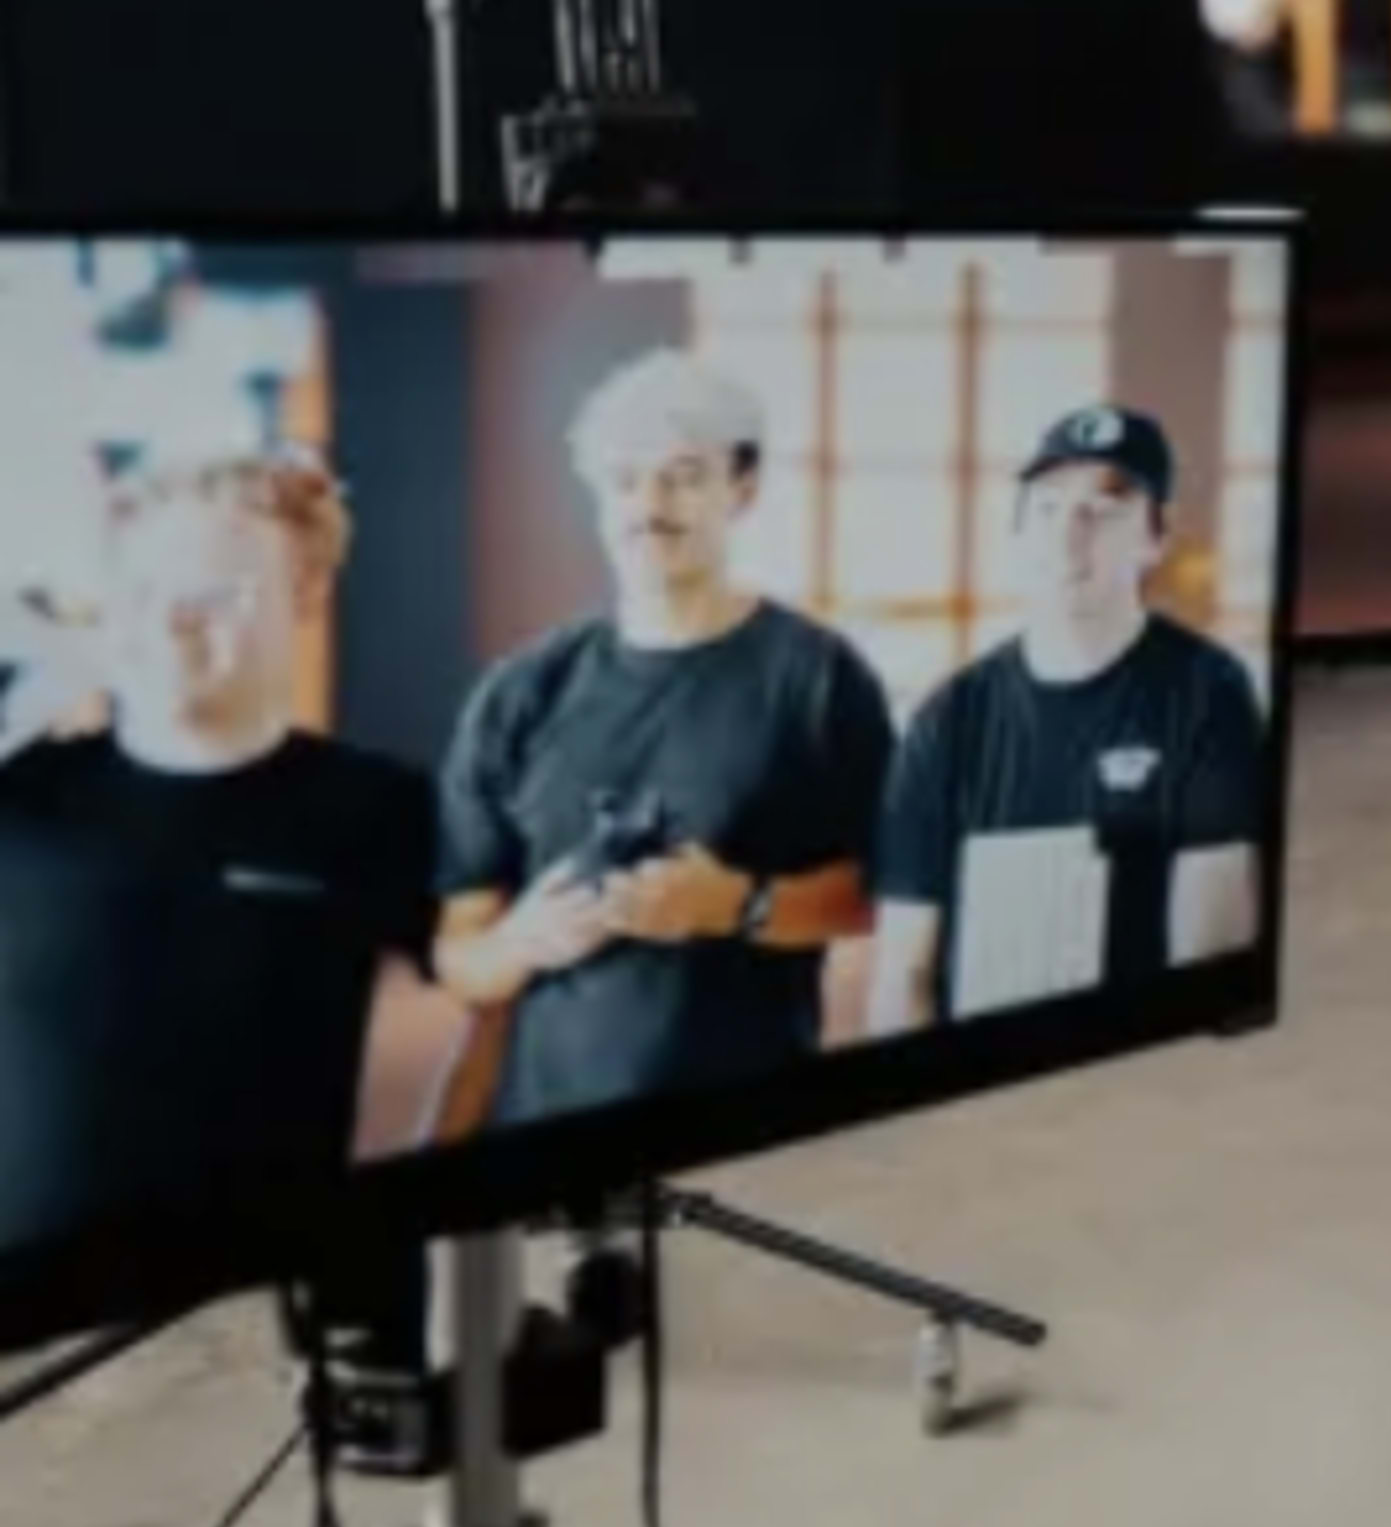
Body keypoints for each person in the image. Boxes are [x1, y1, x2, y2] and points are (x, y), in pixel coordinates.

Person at [0, 452, 457, 1252]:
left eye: (216, 594)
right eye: (143, 593)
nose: (175, 622)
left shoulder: (388, 809)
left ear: (308, 593)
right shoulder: (24, 796)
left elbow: (486, 1024)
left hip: (268, 1322)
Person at [432, 349, 896, 1126]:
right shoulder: (520, 691)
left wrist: (738, 906)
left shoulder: (817, 678)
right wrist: (524, 942)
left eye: (683, 475)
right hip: (545, 1123)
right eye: (624, 479)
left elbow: (876, 896)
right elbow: (460, 955)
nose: (649, 504)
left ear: (740, 489)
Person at [868, 405, 1270, 1033]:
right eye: (1049, 506)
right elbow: (904, 973)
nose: (1068, 534)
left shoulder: (1207, 691)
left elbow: (1209, 947)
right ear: (1020, 530)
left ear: (1155, 537)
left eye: (1103, 510)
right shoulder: (948, 721)